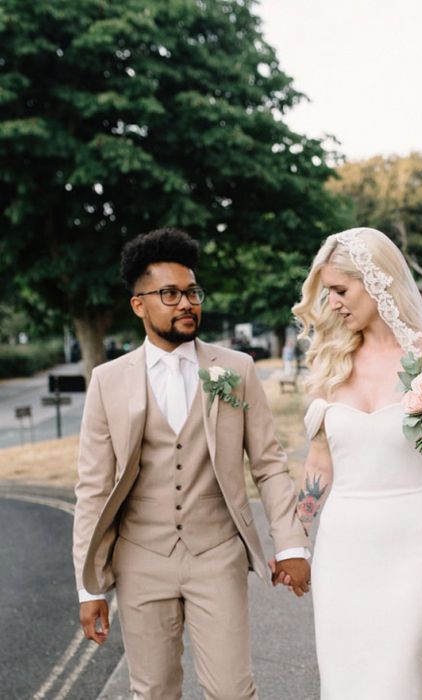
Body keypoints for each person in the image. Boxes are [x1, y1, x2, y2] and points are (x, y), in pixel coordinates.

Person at [72, 228, 310, 700]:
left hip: (216, 555)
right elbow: (93, 490)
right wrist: (89, 586)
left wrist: (292, 545)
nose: (186, 303)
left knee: (232, 691)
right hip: (141, 559)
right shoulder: (107, 381)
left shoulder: (236, 368)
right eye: (170, 294)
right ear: (139, 304)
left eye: (192, 292)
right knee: (154, 691)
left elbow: (268, 464)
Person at [291, 227, 422, 699]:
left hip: (417, 545)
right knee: (347, 679)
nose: (335, 304)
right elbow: (318, 465)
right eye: (327, 294)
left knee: (400, 677)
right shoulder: (331, 360)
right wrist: (293, 538)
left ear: (376, 279)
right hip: (343, 550)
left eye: (341, 290)